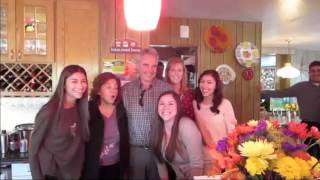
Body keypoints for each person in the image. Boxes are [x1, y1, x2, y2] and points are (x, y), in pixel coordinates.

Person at [29, 65, 89, 180]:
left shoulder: (82, 109)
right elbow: (33, 151)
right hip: (52, 174)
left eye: (83, 81)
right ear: (64, 84)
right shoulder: (49, 111)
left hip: (74, 173)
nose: (80, 86)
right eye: (74, 81)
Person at [122, 47, 172, 179]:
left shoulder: (166, 89)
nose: (150, 70)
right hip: (134, 151)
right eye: (145, 65)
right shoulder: (126, 90)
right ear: (138, 65)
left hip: (159, 151)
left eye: (154, 66)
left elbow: (174, 120)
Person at [262, 60, 320, 158]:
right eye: (313, 71)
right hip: (306, 126)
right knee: (307, 154)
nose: (316, 73)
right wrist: (263, 92)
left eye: (318, 70)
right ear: (309, 73)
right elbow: (282, 93)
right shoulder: (301, 87)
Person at [82, 72, 129, 179]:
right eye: (108, 87)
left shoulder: (121, 110)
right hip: (93, 167)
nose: (113, 91)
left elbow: (125, 140)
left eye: (116, 88)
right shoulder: (88, 110)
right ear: (99, 91)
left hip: (116, 167)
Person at [193, 69, 237, 174]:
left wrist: (230, 155)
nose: (204, 86)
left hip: (224, 154)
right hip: (205, 155)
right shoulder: (195, 104)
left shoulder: (225, 104)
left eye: (209, 82)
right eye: (202, 82)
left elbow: (232, 132)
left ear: (216, 85)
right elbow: (201, 132)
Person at [153, 91, 203, 179]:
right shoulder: (157, 130)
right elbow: (160, 162)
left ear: (178, 107)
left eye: (171, 103)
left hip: (203, 174)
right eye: (161, 104)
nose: (165, 107)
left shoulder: (186, 126)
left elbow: (197, 164)